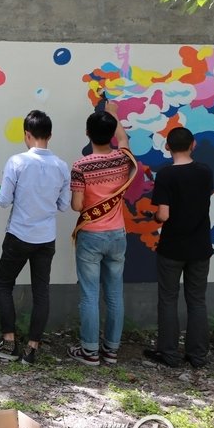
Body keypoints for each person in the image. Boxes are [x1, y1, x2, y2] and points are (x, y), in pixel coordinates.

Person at [0, 110, 71, 366]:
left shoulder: (17, 162)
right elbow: (64, 205)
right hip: (46, 238)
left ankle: (9, 342)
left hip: (19, 235)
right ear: (50, 135)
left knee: (4, 284)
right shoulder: (61, 166)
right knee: (41, 292)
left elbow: (3, 200)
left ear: (26, 134)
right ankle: (32, 348)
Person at [67, 101, 136, 366]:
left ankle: (90, 351)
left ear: (87, 134)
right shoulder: (122, 159)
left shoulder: (81, 166)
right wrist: (115, 115)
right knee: (115, 294)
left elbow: (77, 205)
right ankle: (112, 350)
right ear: (110, 135)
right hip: (117, 234)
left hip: (92, 236)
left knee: (89, 294)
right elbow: (123, 138)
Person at [143, 127, 214, 369]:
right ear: (193, 145)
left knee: (168, 299)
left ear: (167, 147)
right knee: (197, 300)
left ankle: (169, 353)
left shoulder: (166, 175)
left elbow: (163, 214)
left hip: (172, 247)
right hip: (201, 246)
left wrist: (154, 217)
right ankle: (197, 356)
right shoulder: (205, 172)